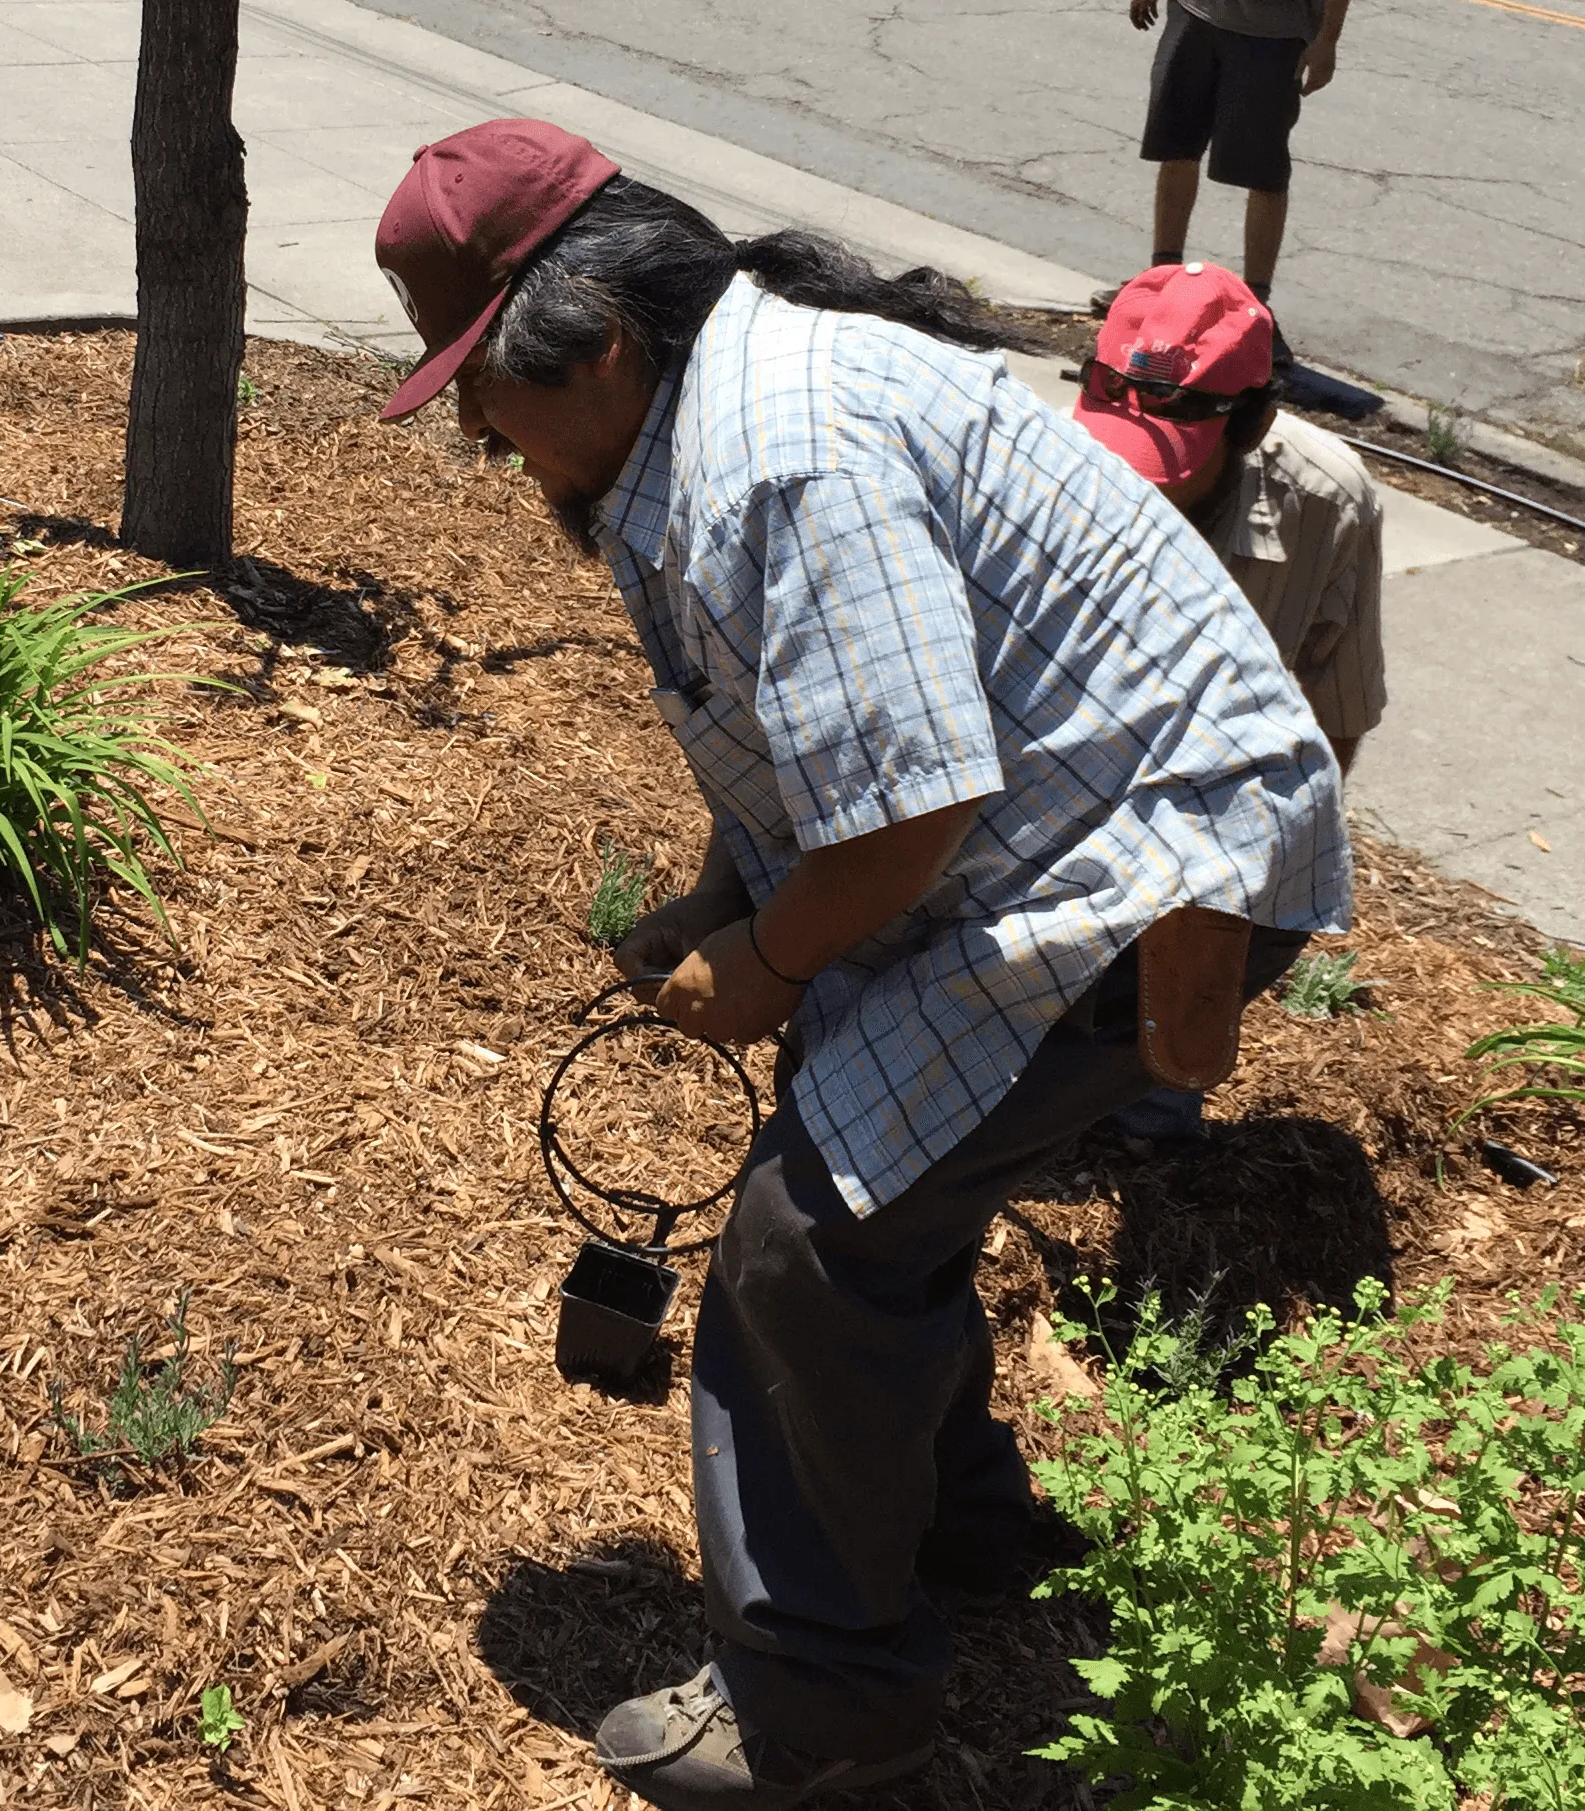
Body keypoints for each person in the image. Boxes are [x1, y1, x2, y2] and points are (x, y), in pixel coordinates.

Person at [375, 120, 1348, 1807]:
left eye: (479, 382)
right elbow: (790, 724)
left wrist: (762, 959)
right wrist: (717, 895)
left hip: (1151, 861)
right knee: (880, 1181)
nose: (469, 422)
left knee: (807, 1236)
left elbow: (913, 800)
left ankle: (825, 1714)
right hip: (1042, 843)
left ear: (598, 344)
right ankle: (966, 1535)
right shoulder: (673, 429)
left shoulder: (781, 449)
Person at [1077, 258, 1384, 1140]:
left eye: (1170, 459)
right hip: (1059, 786)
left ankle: (1150, 1083)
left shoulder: (1326, 503)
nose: (1136, 483)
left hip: (1205, 821)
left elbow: (1333, 717)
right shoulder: (1046, 453)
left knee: (1152, 1098)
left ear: (1251, 424)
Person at [1114, 0, 1352, 364]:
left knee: (1265, 173)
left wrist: (1327, 42)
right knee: (1177, 148)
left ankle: (1256, 309)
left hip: (1275, 35)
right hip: (1194, 15)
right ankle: (1159, 280)